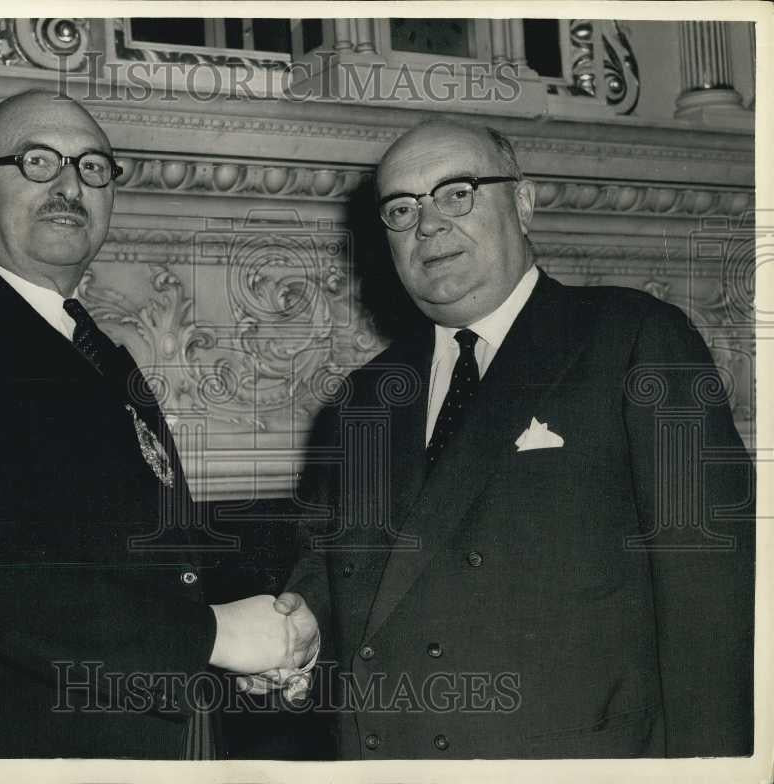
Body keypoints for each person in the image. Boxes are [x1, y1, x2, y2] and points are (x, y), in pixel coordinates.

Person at [0, 89, 317, 759]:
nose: (69, 184)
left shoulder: (95, 353)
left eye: (92, 167)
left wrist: (265, 625)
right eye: (38, 161)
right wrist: (212, 637)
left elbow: (144, 552)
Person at [280, 119, 755, 758]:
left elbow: (715, 609)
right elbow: (336, 571)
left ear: (522, 203)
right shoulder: (362, 399)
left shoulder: (632, 339)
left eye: (457, 193)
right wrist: (297, 626)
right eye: (401, 210)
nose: (428, 226)